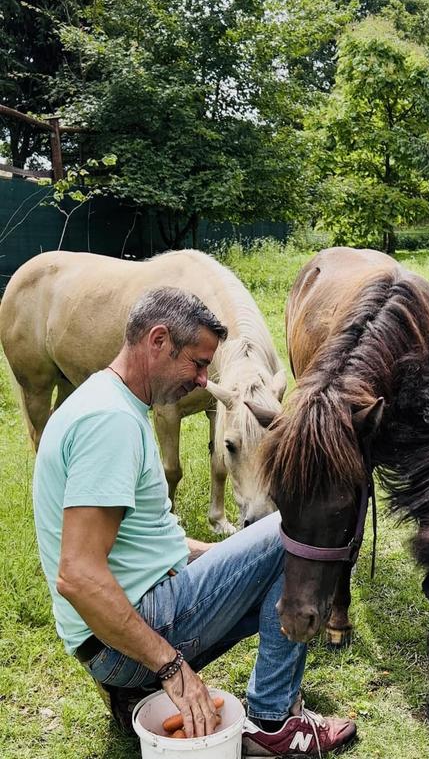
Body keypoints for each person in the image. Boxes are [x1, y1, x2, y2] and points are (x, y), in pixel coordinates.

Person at [32, 286, 356, 756]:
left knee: (268, 553)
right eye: (198, 364)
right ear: (158, 341)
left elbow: (141, 541)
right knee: (290, 533)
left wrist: (229, 558)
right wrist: (170, 668)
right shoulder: (111, 423)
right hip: (125, 641)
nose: (204, 381)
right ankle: (271, 723)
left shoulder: (106, 402)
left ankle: (137, 694)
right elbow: (78, 575)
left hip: (108, 641)